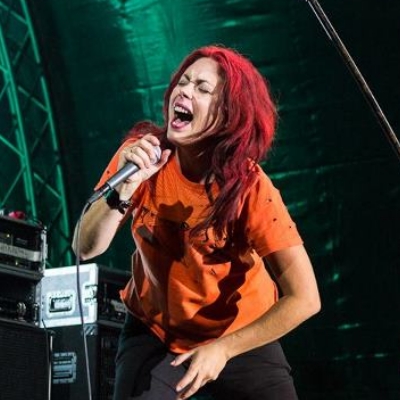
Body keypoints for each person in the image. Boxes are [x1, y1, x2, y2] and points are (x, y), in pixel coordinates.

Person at [73, 44, 321, 400]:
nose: (185, 91)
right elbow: (85, 247)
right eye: (184, 81)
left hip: (239, 333)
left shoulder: (249, 187)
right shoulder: (142, 155)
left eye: (203, 89)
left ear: (229, 116)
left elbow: (305, 298)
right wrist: (124, 188)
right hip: (156, 331)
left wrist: (223, 349)